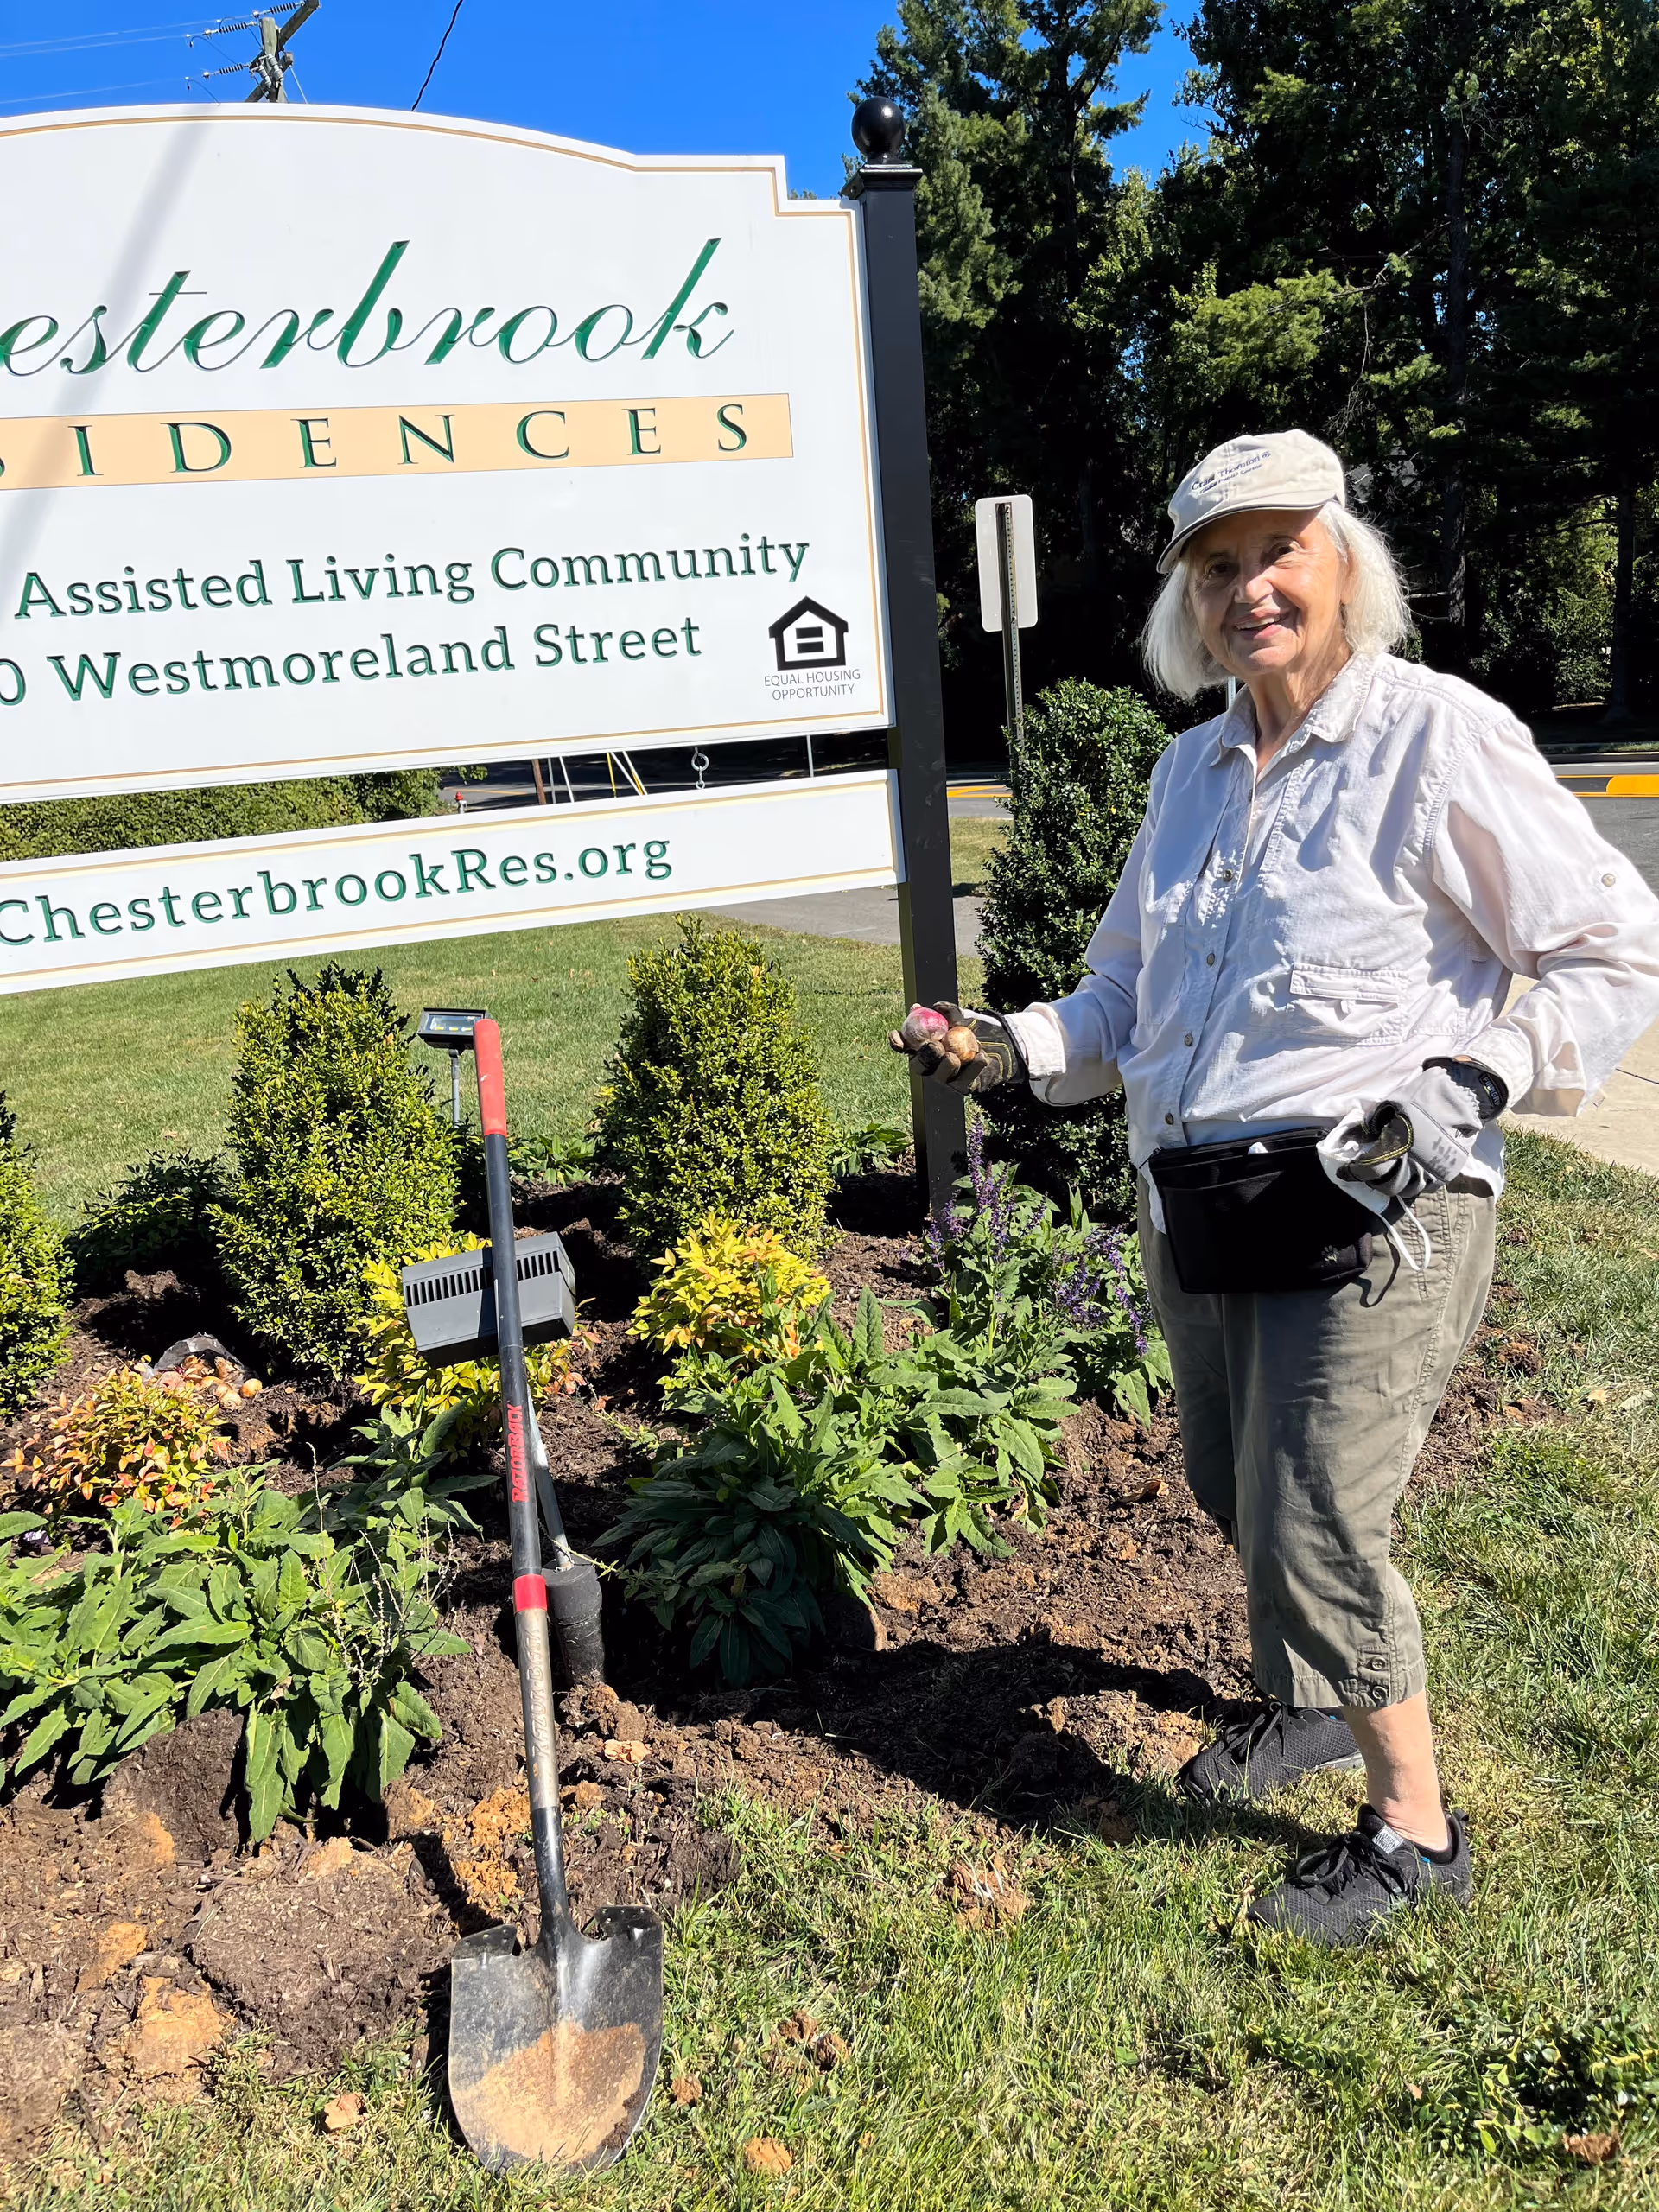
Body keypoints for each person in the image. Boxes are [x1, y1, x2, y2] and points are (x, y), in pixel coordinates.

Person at [893, 429, 1659, 1944]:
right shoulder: (1186, 774)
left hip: (1380, 1202)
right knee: (1227, 1481)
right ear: (1190, 600)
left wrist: (1471, 1083)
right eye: (1218, 568)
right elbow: (1120, 996)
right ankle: (1314, 1699)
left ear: (1341, 563)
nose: (1252, 591)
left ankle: (1415, 1828)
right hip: (1203, 1195)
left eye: (1278, 555)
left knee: (1314, 1508)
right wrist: (1005, 1044)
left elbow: (1608, 944)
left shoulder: (1434, 740)